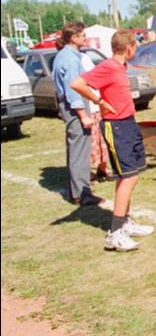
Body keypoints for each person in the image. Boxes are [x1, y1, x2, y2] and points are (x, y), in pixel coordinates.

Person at [71, 30, 153, 251]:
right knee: (128, 178)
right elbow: (77, 84)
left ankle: (125, 223)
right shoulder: (108, 66)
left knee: (131, 176)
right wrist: (99, 101)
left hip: (128, 123)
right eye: (135, 47)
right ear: (128, 48)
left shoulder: (121, 67)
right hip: (116, 126)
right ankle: (115, 234)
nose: (135, 51)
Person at [51, 22, 104, 206]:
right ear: (73, 38)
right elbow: (73, 90)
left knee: (75, 149)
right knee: (80, 151)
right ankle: (82, 193)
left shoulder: (63, 56)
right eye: (82, 35)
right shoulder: (72, 60)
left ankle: (77, 189)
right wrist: (83, 115)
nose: (85, 38)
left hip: (70, 106)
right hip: (76, 108)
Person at [80, 51, 111, 183]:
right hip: (86, 107)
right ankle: (86, 173)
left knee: (101, 139)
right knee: (89, 142)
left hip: (95, 106)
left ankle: (103, 168)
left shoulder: (85, 57)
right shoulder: (71, 60)